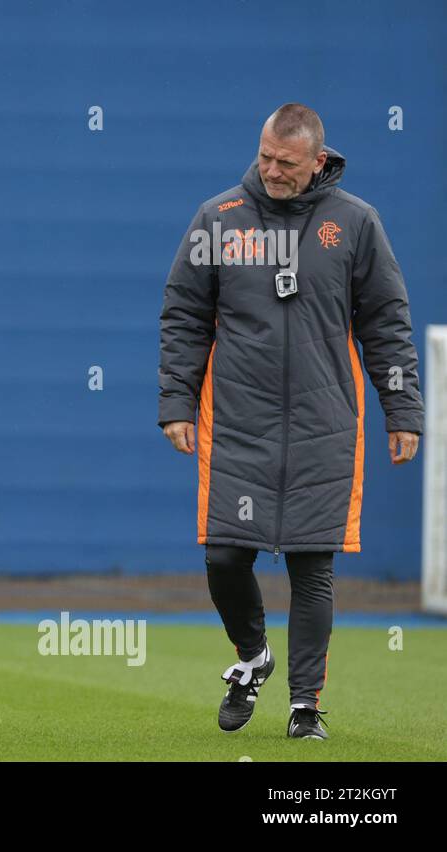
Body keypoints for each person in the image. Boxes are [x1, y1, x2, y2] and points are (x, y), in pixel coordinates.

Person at [158, 103, 422, 740]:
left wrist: (403, 409)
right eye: (265, 157)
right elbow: (184, 316)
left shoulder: (356, 223)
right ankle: (253, 657)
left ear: (319, 161)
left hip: (324, 424)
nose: (272, 171)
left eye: (287, 163)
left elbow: (386, 323)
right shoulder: (217, 218)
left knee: (313, 568)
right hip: (237, 423)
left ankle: (305, 707)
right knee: (225, 557)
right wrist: (176, 402)